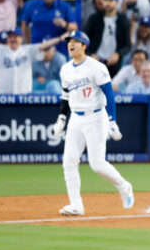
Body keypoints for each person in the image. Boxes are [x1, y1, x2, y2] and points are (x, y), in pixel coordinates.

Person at [52, 30, 134, 216]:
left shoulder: (96, 67)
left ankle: (124, 186)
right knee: (69, 161)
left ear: (84, 46)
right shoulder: (65, 69)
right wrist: (61, 118)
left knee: (97, 163)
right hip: (76, 117)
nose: (71, 44)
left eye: (75, 41)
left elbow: (109, 94)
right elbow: (66, 96)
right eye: (69, 41)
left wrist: (112, 121)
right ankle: (76, 205)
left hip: (96, 116)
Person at [0, 27, 69, 94]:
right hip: (1, 96)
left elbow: (43, 45)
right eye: (10, 36)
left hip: (24, 97)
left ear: (21, 39)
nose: (13, 38)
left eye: (16, 36)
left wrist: (60, 39)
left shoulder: (27, 50)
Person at [84, 0, 131, 77]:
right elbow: (83, 40)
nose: (108, 3)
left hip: (113, 63)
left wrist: (118, 54)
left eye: (111, 0)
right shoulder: (94, 18)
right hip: (95, 61)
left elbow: (128, 45)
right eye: (106, 0)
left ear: (117, 2)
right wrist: (90, 54)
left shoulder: (123, 21)